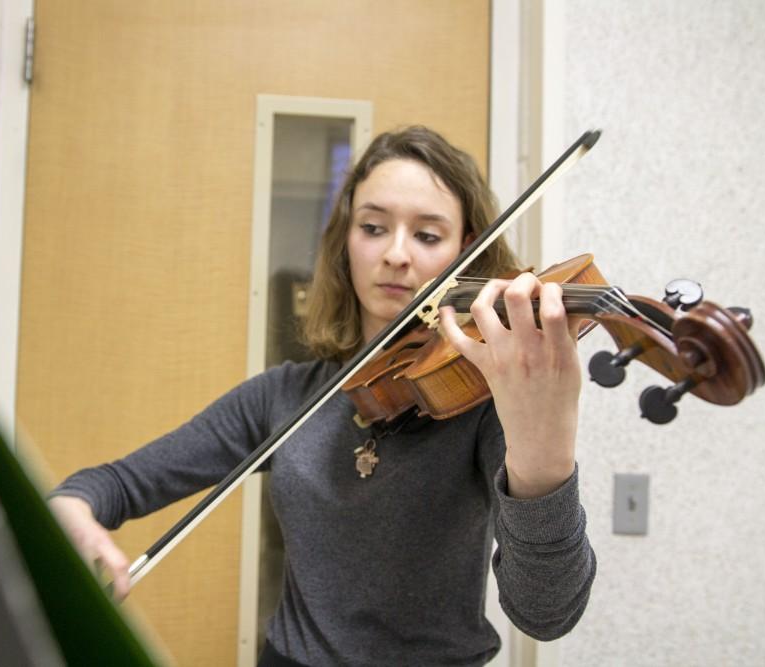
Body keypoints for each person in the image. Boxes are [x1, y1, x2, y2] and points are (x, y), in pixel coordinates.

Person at [48, 126, 595, 666]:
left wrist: (542, 453)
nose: (397, 255)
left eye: (428, 235)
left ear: (465, 251)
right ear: (346, 242)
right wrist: (69, 509)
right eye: (374, 227)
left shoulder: (484, 403)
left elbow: (546, 612)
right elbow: (115, 484)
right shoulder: (283, 396)